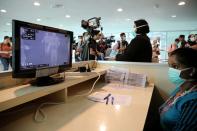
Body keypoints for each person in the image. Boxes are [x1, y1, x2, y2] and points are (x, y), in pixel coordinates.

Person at [159, 48, 197, 131]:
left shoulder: (193, 102)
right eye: (170, 67)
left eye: (175, 66)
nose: (171, 71)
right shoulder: (181, 88)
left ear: (192, 71)